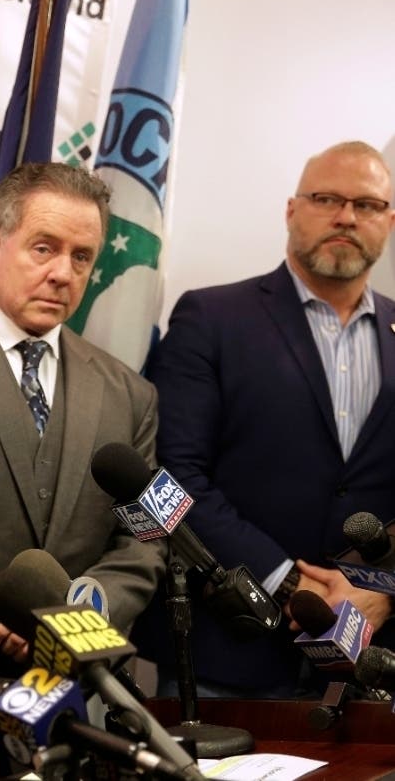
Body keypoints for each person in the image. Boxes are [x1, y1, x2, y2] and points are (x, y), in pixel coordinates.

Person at [0, 162, 164, 770]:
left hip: (78, 714)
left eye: (81, 256)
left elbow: (145, 543)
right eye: (44, 248)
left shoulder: (130, 395)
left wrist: (77, 607)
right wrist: (13, 612)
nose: (62, 273)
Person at [136, 141, 395, 698]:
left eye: (368, 205)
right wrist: (290, 581)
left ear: (389, 221)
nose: (346, 216)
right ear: (291, 209)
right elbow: (175, 477)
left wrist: (386, 591)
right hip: (230, 652)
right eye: (327, 198)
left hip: (373, 660)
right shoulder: (212, 317)